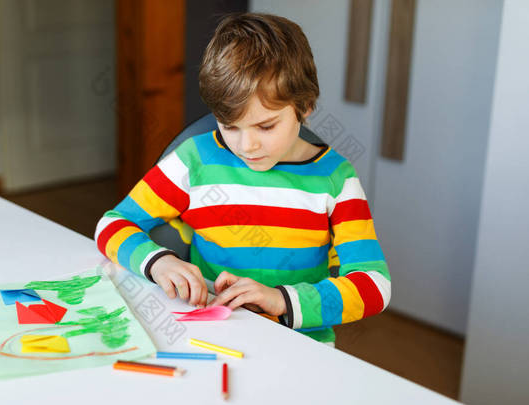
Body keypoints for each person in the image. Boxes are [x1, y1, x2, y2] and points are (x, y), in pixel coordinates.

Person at [95, 12, 390, 344]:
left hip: (299, 347)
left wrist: (281, 300)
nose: (246, 145)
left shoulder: (336, 179)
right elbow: (112, 225)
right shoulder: (195, 161)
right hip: (208, 335)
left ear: (305, 107)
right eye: (229, 125)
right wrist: (158, 263)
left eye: (266, 126)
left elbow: (374, 284)